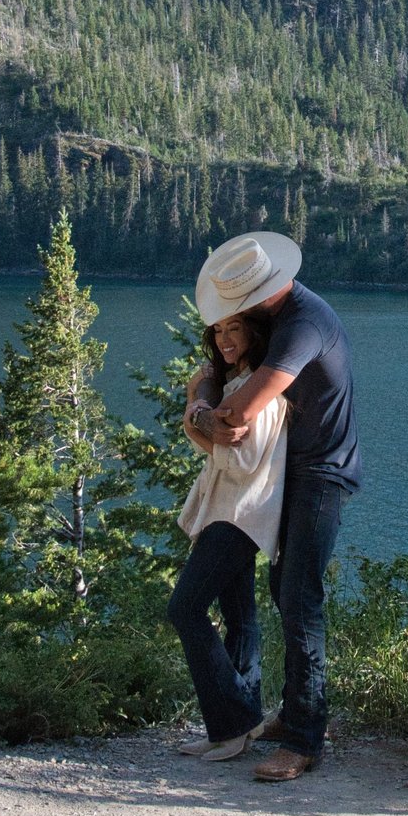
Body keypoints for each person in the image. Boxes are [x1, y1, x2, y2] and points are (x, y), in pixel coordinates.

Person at [186, 231, 359, 783]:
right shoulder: (280, 318)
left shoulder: (303, 325)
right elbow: (213, 372)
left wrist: (201, 416)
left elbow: (239, 416)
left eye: (236, 307)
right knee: (284, 589)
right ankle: (297, 713)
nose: (231, 319)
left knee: (300, 596)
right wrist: (202, 401)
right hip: (292, 473)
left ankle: (305, 740)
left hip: (320, 474)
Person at [166, 310, 288, 761]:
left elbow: (241, 461)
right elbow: (205, 392)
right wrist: (199, 407)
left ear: (254, 333)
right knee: (240, 617)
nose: (224, 340)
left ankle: (235, 720)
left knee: (185, 608)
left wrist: (193, 420)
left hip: (240, 515)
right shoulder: (237, 384)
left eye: (234, 329)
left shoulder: (263, 392)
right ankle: (234, 730)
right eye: (218, 331)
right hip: (230, 512)